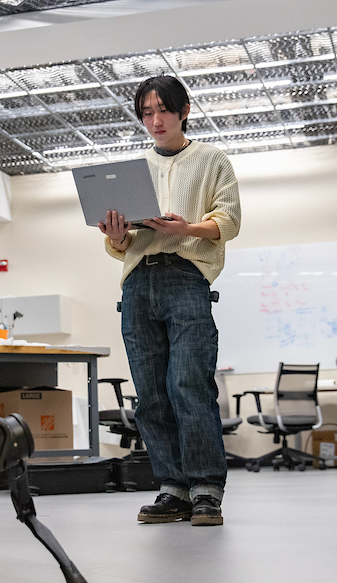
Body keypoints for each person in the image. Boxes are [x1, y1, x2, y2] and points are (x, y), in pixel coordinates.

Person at [98, 75, 240, 526]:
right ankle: (173, 489)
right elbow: (119, 247)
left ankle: (205, 489)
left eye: (163, 110)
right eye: (146, 113)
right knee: (151, 395)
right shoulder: (133, 169)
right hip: (137, 283)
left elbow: (228, 221)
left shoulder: (212, 159)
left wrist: (187, 228)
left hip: (186, 278)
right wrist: (116, 235)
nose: (155, 120)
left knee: (188, 386)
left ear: (184, 111)